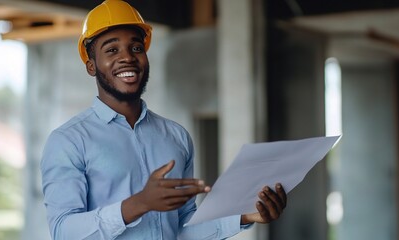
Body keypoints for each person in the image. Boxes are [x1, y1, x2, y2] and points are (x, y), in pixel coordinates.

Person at [40, 0, 287, 239]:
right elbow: (63, 231)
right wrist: (138, 204)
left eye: (136, 47)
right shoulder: (68, 141)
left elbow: (182, 229)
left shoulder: (177, 137)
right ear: (91, 66)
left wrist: (243, 215)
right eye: (112, 49)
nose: (127, 57)